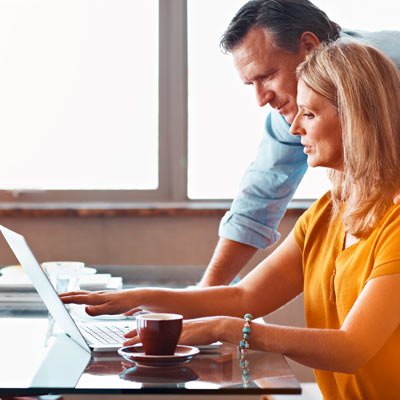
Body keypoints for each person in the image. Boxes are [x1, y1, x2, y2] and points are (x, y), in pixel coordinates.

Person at [61, 40, 400, 399]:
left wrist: (226, 329)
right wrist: (136, 298)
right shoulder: (327, 214)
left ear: (357, 117)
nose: (294, 127)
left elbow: (352, 349)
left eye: (310, 114)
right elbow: (244, 296)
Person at [198, 0, 400, 288]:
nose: (260, 99)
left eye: (266, 76)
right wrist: (205, 293)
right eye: (250, 84)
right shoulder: (292, 107)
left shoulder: (385, 75)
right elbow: (258, 199)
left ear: (308, 46)